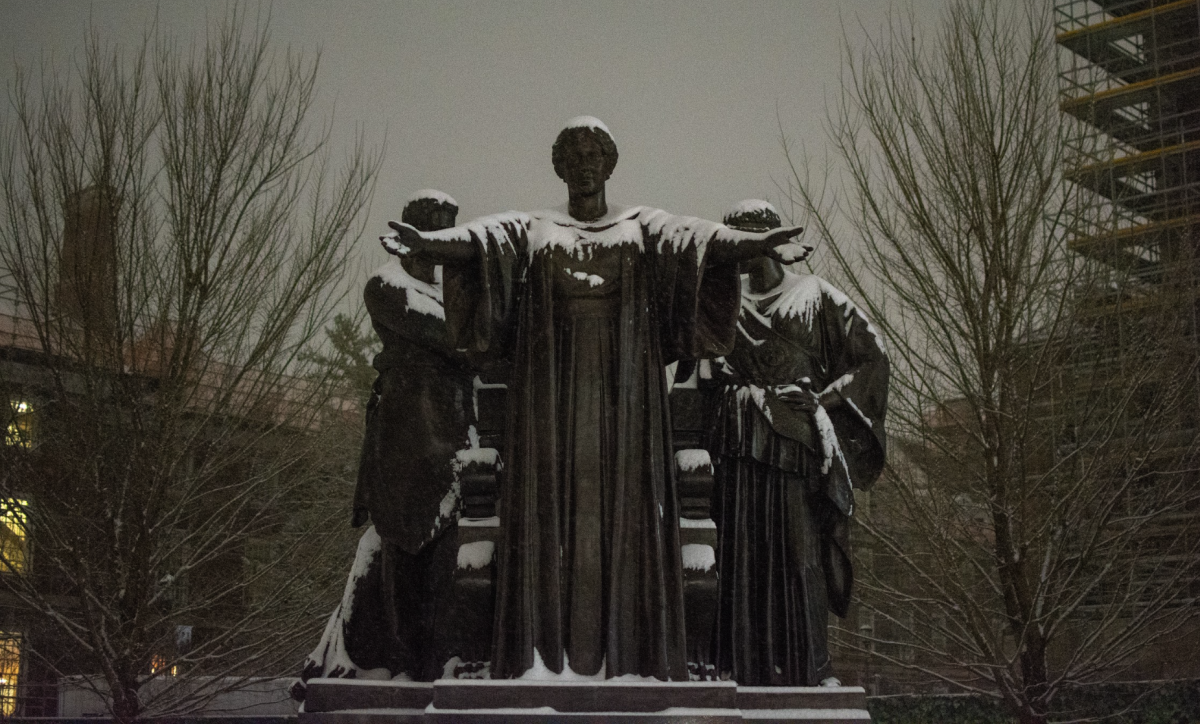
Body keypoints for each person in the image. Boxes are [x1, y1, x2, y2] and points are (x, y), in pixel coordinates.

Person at [382, 117, 811, 681]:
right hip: (550, 411)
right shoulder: (536, 232)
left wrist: (755, 243)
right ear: (560, 168)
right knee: (548, 517)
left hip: (626, 411)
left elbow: (699, 241)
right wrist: (430, 243)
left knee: (626, 519)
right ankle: (541, 658)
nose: (585, 165)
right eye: (574, 156)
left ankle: (631, 656)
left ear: (609, 165)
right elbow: (484, 240)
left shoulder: (640, 229)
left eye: (595, 155)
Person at [296, 190, 474, 692]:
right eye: (433, 234)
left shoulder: (451, 296)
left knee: (448, 542)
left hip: (454, 423)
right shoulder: (387, 286)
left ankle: (437, 650)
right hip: (408, 427)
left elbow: (470, 341)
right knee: (401, 536)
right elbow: (455, 339)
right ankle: (399, 652)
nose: (438, 248)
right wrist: (473, 338)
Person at [708, 200, 888, 687]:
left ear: (777, 248)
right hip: (738, 447)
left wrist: (826, 401)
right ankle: (742, 664)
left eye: (753, 248)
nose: (745, 261)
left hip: (793, 449)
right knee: (739, 557)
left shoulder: (816, 296)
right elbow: (695, 373)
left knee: (797, 552)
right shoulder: (723, 303)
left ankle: (808, 664)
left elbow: (872, 359)